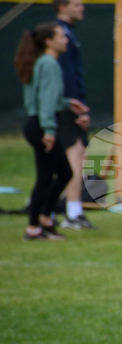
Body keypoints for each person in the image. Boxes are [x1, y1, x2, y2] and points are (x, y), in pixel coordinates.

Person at [14, 23, 89, 240]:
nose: (66, 40)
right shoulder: (49, 64)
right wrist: (49, 130)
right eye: (61, 37)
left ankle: (45, 219)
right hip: (41, 126)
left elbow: (44, 98)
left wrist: (67, 103)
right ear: (49, 42)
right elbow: (45, 102)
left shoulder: (42, 62)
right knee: (47, 178)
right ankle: (34, 227)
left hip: (37, 123)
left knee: (63, 173)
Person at [53, 0, 95, 230]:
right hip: (67, 105)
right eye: (76, 4)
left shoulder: (69, 33)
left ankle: (61, 210)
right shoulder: (61, 34)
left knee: (76, 157)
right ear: (63, 7)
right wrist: (76, 106)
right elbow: (67, 76)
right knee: (74, 158)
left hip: (71, 103)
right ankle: (72, 213)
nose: (82, 8)